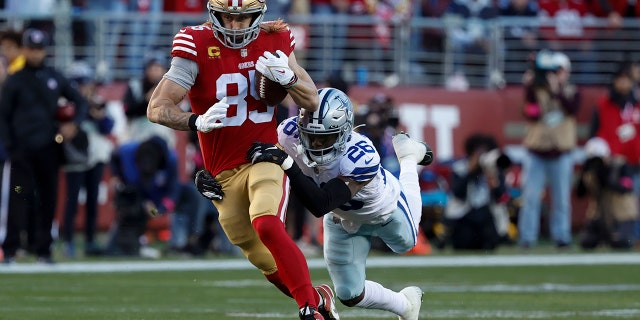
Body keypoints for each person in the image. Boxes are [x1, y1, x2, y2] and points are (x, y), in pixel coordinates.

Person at [146, 1, 338, 319]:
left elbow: (312, 99)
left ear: (257, 15)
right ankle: (317, 298)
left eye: (243, 18)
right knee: (262, 257)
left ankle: (308, 310)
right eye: (227, 18)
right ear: (214, 14)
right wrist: (195, 121)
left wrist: (288, 79)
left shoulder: (275, 37)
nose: (235, 26)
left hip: (262, 155)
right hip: (222, 172)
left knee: (266, 222)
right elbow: (157, 107)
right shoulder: (195, 43)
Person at [244, 87, 430, 320]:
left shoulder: (360, 155)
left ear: (344, 131)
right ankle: (405, 305)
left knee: (407, 243)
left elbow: (321, 203)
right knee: (349, 294)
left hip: (384, 210)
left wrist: (288, 163)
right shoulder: (287, 134)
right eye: (311, 136)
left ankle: (409, 158)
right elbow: (253, 154)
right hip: (341, 219)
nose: (317, 144)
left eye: (326, 137)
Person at [0, 28, 88, 264]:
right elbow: (4, 116)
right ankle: (10, 249)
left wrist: (73, 125)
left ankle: (43, 250)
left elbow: (80, 102)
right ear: (25, 50)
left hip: (49, 148)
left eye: (39, 49)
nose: (36, 53)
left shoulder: (54, 76)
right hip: (22, 151)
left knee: (48, 199)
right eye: (31, 49)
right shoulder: (15, 80)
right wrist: (10, 147)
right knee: (18, 198)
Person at [518, 50, 580, 249]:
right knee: (530, 198)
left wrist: (557, 91)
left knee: (561, 199)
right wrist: (530, 87)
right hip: (537, 151)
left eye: (559, 71)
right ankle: (527, 238)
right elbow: (532, 114)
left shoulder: (572, 90)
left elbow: (572, 109)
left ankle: (562, 237)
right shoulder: (536, 91)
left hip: (561, 151)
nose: (555, 75)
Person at [60, 61, 115, 258]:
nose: (83, 88)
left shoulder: (97, 101)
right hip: (75, 156)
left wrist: (98, 114)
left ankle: (91, 240)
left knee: (92, 200)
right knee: (72, 200)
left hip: (96, 156)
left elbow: (108, 128)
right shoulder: (66, 102)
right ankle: (68, 241)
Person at [445, 133, 511, 251]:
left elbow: (502, 198)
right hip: (464, 215)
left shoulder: (494, 170)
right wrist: (470, 172)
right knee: (463, 243)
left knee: (490, 242)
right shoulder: (460, 168)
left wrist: (494, 180)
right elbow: (458, 194)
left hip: (487, 215)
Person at [575, 137, 637, 249]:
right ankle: (604, 238)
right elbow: (579, 194)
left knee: (622, 242)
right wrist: (585, 174)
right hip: (599, 216)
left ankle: (621, 238)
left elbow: (626, 188)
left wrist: (606, 177)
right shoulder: (590, 172)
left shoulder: (621, 166)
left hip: (622, 215)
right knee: (587, 242)